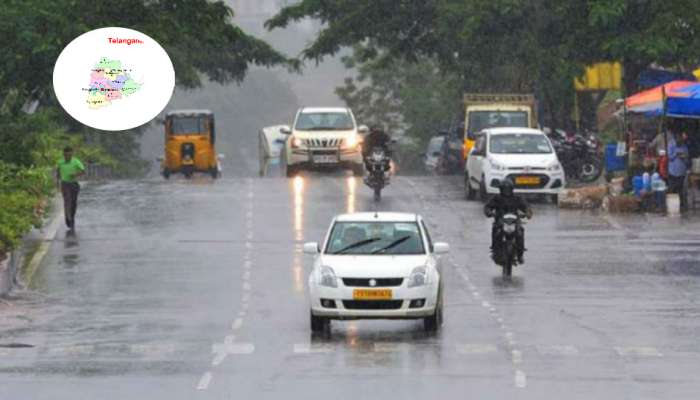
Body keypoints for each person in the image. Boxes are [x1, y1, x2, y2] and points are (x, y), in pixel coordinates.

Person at [483, 179, 532, 264]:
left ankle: (520, 254)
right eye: (505, 189)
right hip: (500, 220)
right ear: (501, 189)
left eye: (508, 189)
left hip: (515, 221)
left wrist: (527, 213)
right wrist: (490, 213)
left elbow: (526, 206)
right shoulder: (496, 198)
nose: (507, 191)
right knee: (496, 230)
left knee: (520, 232)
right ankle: (495, 250)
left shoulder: (517, 198)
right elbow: (487, 207)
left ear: (512, 189)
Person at [56, 146, 85, 230]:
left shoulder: (76, 161)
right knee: (67, 200)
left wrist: (75, 174)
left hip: (74, 184)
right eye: (66, 155)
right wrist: (57, 183)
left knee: (73, 203)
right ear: (63, 154)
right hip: (65, 184)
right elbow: (58, 172)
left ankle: (72, 218)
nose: (67, 157)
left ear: (72, 154)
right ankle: (67, 218)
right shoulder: (60, 162)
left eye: (69, 155)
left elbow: (83, 171)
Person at [668, 132, 690, 210]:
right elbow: (669, 157)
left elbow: (687, 160)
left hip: (681, 172)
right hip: (672, 171)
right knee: (672, 189)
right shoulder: (671, 144)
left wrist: (684, 158)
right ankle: (671, 206)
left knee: (681, 190)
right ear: (677, 138)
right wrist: (676, 154)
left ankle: (681, 206)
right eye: (680, 140)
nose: (681, 141)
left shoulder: (684, 147)